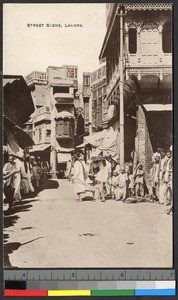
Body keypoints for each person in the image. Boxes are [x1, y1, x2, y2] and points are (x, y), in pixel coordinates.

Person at [164, 149, 173, 214]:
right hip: (167, 175)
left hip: (171, 175)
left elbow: (170, 169)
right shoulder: (168, 160)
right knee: (167, 191)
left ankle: (171, 208)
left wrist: (169, 175)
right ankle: (169, 208)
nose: (168, 155)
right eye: (167, 154)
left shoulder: (172, 160)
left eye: (169, 154)